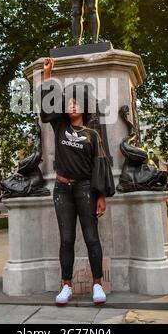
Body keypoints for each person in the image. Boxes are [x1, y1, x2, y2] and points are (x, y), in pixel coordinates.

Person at [37, 57, 115, 305]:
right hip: (61, 190)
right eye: (68, 103)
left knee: (91, 238)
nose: (71, 106)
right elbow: (48, 105)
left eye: (75, 103)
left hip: (84, 190)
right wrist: (48, 75)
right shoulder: (60, 126)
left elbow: (100, 166)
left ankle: (97, 285)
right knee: (67, 239)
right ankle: (66, 286)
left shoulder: (92, 134)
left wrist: (101, 196)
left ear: (83, 107)